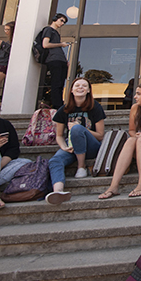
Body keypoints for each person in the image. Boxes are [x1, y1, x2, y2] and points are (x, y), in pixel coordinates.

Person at [45, 77, 105, 205]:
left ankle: (81, 167)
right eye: (77, 85)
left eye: (84, 86)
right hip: (71, 146)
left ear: (89, 90)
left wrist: (82, 129)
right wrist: (64, 147)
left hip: (91, 146)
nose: (80, 88)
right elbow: (59, 136)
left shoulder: (95, 107)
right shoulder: (65, 109)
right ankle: (58, 191)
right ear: (71, 90)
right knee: (55, 160)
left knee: (77, 129)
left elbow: (100, 135)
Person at [42, 13, 71, 109]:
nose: (62, 23)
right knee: (56, 82)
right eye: (61, 20)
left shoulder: (56, 33)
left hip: (60, 59)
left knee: (61, 83)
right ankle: (56, 105)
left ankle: (59, 104)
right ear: (55, 19)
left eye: (64, 22)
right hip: (54, 59)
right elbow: (45, 44)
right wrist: (60, 44)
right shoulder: (48, 30)